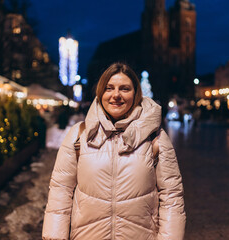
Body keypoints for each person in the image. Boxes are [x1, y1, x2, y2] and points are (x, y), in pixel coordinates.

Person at [42, 63, 186, 240]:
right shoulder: (79, 135)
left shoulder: (155, 138)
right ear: (100, 93)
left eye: (125, 89)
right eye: (109, 88)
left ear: (136, 94)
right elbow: (60, 191)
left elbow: (171, 197)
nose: (116, 95)